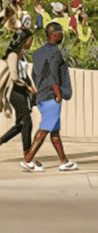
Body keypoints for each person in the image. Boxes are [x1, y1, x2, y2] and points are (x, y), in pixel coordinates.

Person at [21, 22, 78, 173]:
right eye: (61, 32)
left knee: (54, 131)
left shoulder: (38, 52)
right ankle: (28, 160)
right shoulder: (55, 52)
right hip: (52, 96)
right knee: (46, 128)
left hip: (42, 95)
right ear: (55, 35)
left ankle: (64, 161)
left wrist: (41, 89)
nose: (63, 35)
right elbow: (53, 73)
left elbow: (34, 74)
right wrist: (57, 93)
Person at [0, 30, 37, 164]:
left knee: (21, 124)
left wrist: (31, 86)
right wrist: (27, 87)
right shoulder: (12, 55)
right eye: (30, 40)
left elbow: (24, 75)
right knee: (27, 122)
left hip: (22, 91)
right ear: (24, 40)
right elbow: (15, 77)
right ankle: (28, 156)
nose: (31, 43)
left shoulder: (22, 55)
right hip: (15, 92)